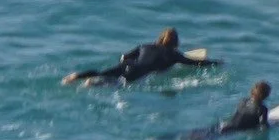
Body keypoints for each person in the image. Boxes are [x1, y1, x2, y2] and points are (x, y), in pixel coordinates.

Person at [63, 27, 217, 88]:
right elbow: (194, 63)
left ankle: (76, 76)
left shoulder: (145, 46)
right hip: (138, 73)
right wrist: (216, 63)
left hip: (128, 64)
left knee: (103, 73)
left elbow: (124, 56)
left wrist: (126, 64)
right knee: (118, 84)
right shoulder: (174, 54)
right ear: (176, 43)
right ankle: (92, 84)